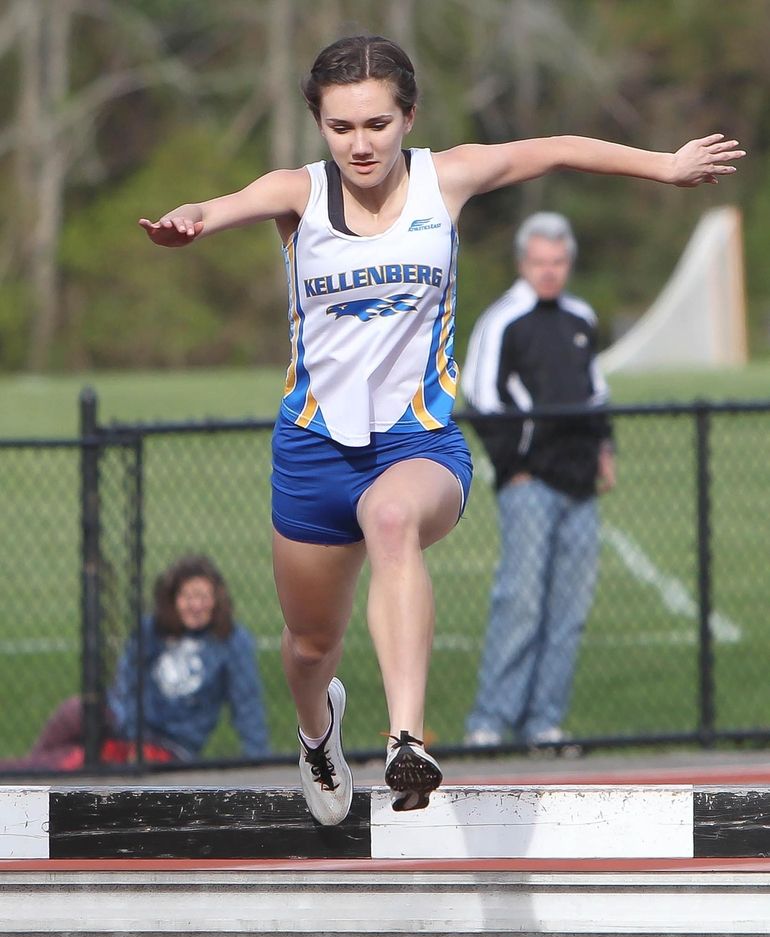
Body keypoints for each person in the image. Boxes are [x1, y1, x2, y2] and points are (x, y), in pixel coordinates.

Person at [138, 34, 742, 824]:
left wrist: (663, 164)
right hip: (315, 451)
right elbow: (218, 208)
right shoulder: (298, 192)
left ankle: (404, 739)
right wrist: (194, 219)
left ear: (409, 116)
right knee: (309, 645)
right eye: (342, 127)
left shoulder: (444, 177)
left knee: (391, 520)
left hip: (416, 443)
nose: (361, 144)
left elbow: (554, 149)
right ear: (319, 125)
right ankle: (318, 733)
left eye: (379, 125)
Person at [463, 211, 614, 750]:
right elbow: (479, 399)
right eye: (539, 262)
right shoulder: (503, 320)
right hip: (531, 484)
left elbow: (596, 391)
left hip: (580, 486)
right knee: (520, 603)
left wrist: (605, 448)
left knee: (568, 610)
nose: (549, 271)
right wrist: (514, 466)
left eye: (558, 261)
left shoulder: (581, 317)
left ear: (568, 263)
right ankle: (489, 723)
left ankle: (543, 722)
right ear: (523, 263)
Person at [0, 555, 269, 770]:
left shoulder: (232, 641)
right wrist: (126, 730)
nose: (195, 605)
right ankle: (27, 777)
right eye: (188, 597)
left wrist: (259, 761)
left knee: (75, 761)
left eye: (203, 597)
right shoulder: (152, 630)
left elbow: (247, 704)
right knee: (75, 711)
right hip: (127, 726)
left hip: (170, 745)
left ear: (216, 600)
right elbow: (126, 683)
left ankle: (19, 774)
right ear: (173, 600)